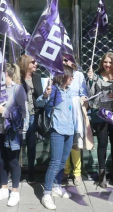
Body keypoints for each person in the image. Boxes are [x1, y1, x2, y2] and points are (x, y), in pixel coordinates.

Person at [36, 65, 74, 210]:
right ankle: (46, 193)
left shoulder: (69, 91)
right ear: (64, 76)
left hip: (69, 130)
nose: (73, 78)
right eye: (71, 76)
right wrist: (45, 95)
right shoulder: (55, 91)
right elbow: (39, 102)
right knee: (55, 162)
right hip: (57, 130)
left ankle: (57, 186)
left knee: (63, 161)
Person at [0, 63, 28, 206]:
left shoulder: (18, 89)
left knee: (13, 162)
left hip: (13, 132)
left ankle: (15, 192)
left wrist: (5, 112)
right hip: (0, 129)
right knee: (0, 160)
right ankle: (4, 188)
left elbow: (23, 112)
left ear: (5, 74)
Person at [87, 52, 113, 187]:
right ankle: (102, 176)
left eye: (110, 62)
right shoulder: (96, 76)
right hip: (100, 114)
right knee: (102, 143)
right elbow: (90, 95)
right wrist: (90, 80)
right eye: (105, 62)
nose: (107, 64)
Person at [62, 57, 88, 186]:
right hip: (63, 111)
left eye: (67, 60)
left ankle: (77, 172)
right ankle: (65, 170)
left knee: (75, 142)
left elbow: (84, 93)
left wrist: (83, 99)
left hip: (76, 111)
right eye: (62, 60)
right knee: (64, 140)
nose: (64, 62)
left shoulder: (78, 75)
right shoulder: (58, 73)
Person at [18, 54, 43, 184]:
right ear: (26, 64)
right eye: (33, 62)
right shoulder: (18, 78)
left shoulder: (37, 77)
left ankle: (31, 171)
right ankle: (15, 171)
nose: (35, 65)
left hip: (33, 115)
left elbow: (40, 96)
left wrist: (45, 94)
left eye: (35, 63)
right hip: (20, 116)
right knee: (16, 144)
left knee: (31, 144)